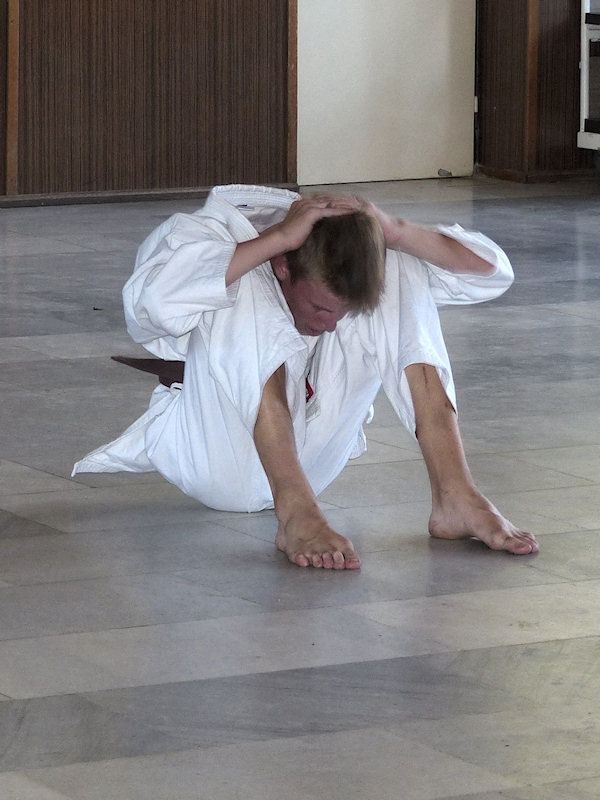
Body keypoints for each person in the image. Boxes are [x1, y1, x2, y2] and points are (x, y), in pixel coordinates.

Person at [73, 184, 539, 569]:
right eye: (319, 307)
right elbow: (150, 306)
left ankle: (455, 494)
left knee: (393, 262)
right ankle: (295, 513)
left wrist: (394, 232)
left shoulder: (333, 277)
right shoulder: (204, 232)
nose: (331, 326)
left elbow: (492, 274)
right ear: (284, 266)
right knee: (239, 278)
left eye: (340, 312)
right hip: (217, 454)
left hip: (313, 454)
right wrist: (276, 239)